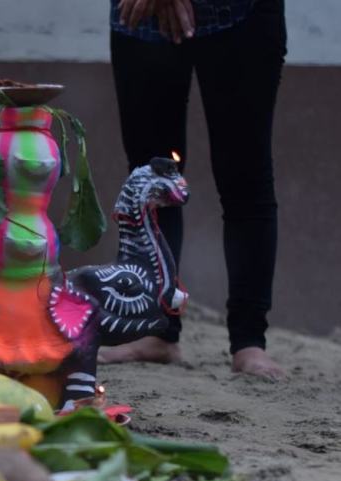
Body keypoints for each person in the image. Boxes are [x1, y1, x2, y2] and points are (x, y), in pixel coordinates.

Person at [101, 0, 288, 379]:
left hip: (241, 14)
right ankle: (155, 330)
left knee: (246, 178)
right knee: (150, 178)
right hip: (143, 15)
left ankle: (249, 341)